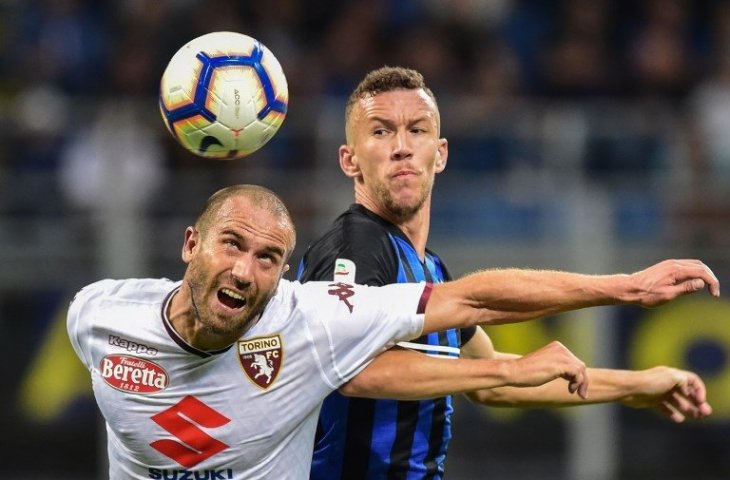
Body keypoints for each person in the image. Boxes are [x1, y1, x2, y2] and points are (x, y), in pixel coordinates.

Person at [296, 66, 719, 479]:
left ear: (440, 153)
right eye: (382, 131)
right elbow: (354, 372)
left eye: (418, 130)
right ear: (349, 160)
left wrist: (640, 386)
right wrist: (625, 288)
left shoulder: (429, 268)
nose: (402, 146)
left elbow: (491, 383)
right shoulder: (353, 247)